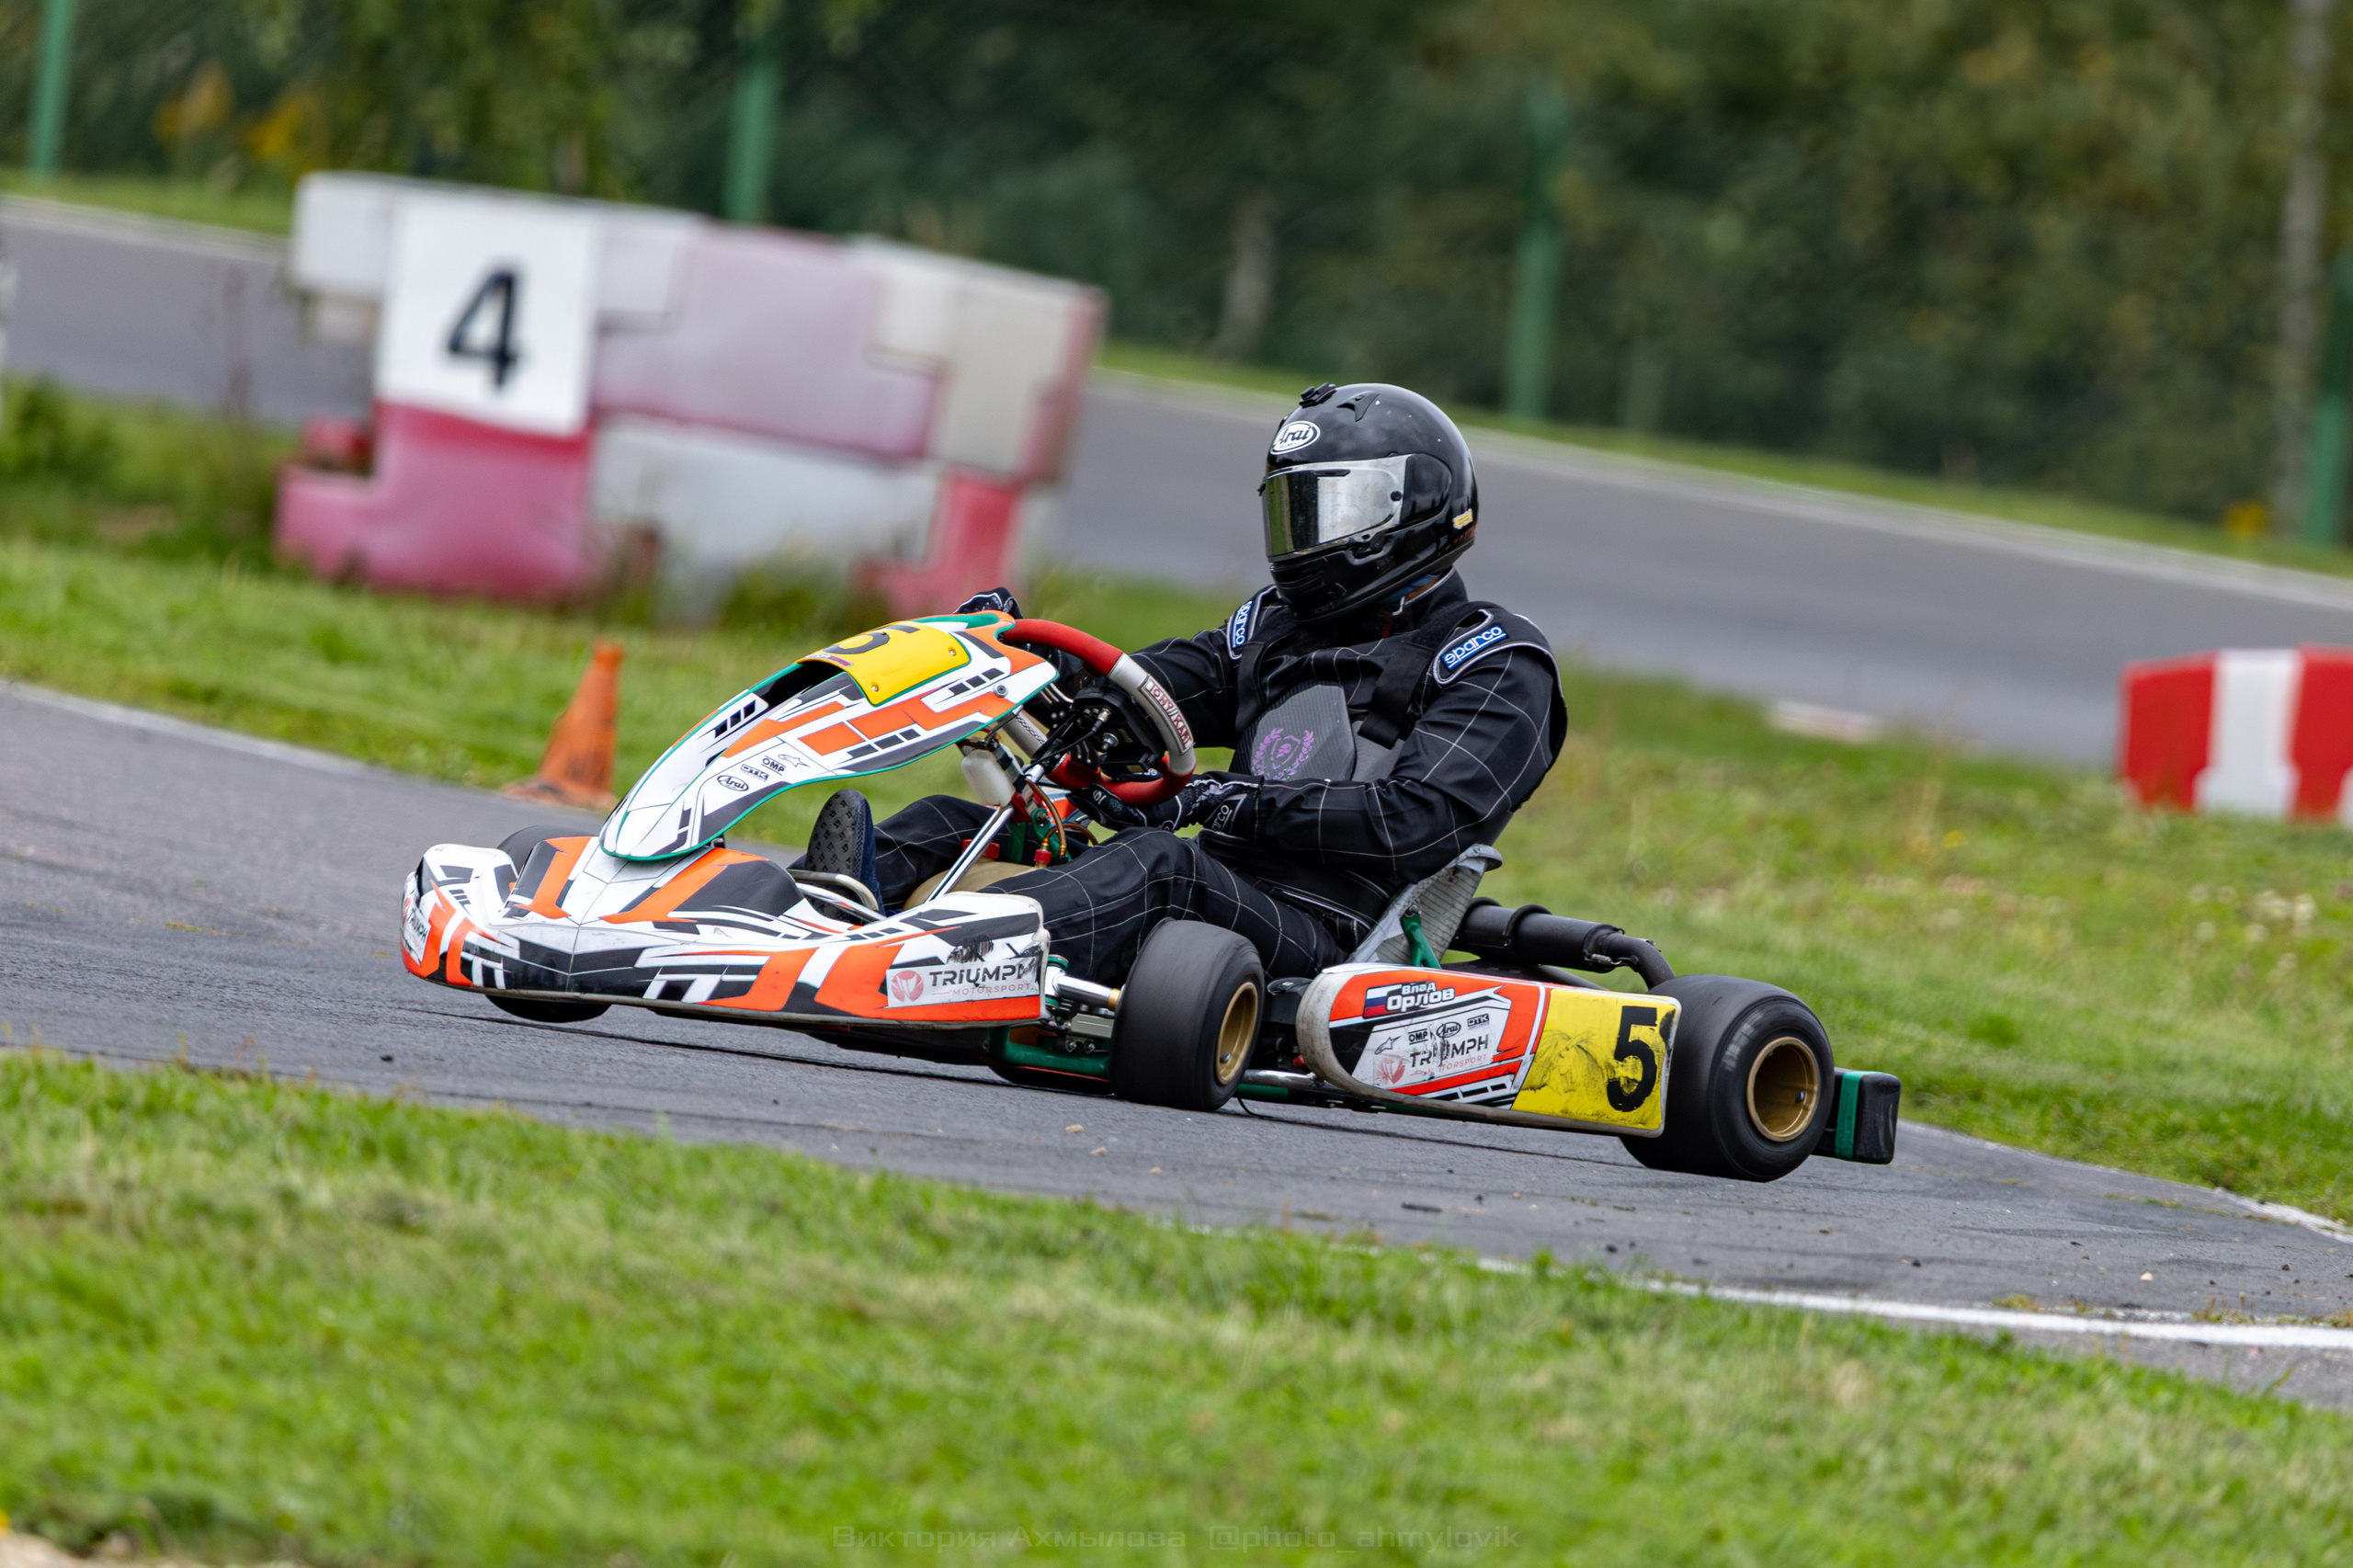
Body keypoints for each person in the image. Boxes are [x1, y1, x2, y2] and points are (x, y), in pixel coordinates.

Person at [801, 381, 1568, 984]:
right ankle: (810, 923)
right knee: (967, 820)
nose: (1307, 540)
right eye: (1295, 512)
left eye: (1330, 511)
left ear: (1414, 508)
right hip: (1221, 892)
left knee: (1159, 865)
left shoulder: (1493, 659)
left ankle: (930, 957)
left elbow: (1418, 820)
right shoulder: (1276, 628)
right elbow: (1147, 688)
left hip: (1333, 935)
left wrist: (1223, 800)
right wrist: (1012, 653)